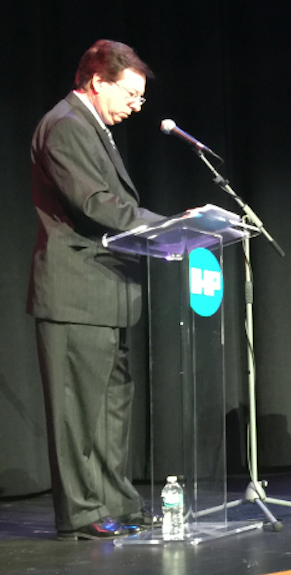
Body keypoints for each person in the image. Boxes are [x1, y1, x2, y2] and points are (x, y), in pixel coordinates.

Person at [28, 40, 166, 540]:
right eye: (130, 94)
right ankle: (83, 514)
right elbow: (93, 202)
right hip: (75, 292)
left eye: (141, 98)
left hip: (108, 292)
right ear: (97, 81)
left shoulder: (95, 128)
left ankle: (117, 503)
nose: (135, 105)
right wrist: (167, 225)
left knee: (111, 411)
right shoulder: (65, 125)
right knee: (78, 415)